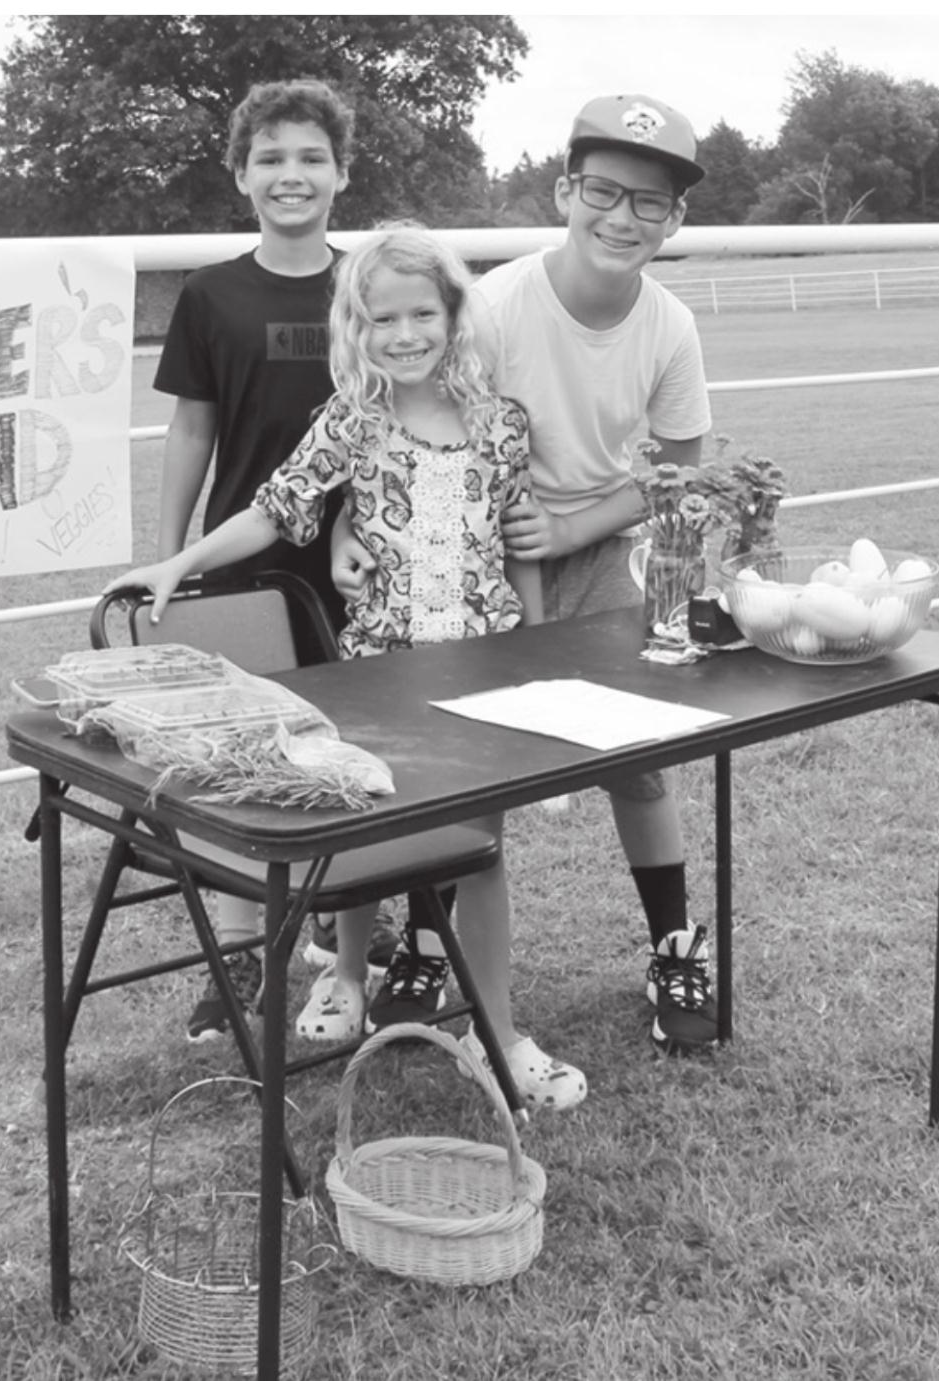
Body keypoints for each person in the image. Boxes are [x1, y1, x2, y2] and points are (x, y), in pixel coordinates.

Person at [103, 225, 587, 1110]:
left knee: (480, 854)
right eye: (378, 320)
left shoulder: (501, 423)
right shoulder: (352, 421)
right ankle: (347, 973)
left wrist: (541, 643)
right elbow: (274, 508)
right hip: (382, 676)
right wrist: (178, 564)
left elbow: (521, 548)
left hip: (486, 678)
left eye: (419, 314)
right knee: (367, 829)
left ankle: (500, 1030)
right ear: (353, 329)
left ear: (452, 316)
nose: (402, 335)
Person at [337, 94, 718, 1057]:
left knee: (636, 755)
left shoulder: (668, 326)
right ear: (563, 193)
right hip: (470, 552)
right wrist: (348, 514)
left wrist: (574, 524)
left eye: (650, 202)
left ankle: (672, 939)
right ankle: (428, 940)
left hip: (596, 550)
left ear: (674, 221)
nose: (621, 217)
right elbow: (398, 406)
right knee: (469, 762)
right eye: (602, 191)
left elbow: (679, 473)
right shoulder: (498, 304)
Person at [134, 77, 396, 1044]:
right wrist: (168, 558)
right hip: (241, 562)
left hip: (361, 565)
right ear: (241, 174)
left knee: (353, 749)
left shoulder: (372, 291)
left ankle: (348, 945)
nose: (293, 175)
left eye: (311, 157)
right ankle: (240, 960)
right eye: (272, 158)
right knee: (240, 760)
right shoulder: (210, 294)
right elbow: (191, 427)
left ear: (341, 172)